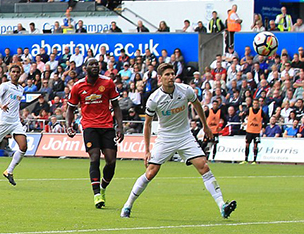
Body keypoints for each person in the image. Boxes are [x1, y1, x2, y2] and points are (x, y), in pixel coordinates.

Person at [120, 63, 237, 219]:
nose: (171, 77)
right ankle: (128, 205)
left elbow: (197, 105)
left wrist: (205, 126)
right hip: (165, 137)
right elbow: (147, 124)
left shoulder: (185, 90)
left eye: (172, 73)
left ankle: (222, 205)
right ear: (160, 78)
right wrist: (147, 150)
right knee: (151, 172)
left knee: (204, 166)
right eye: (167, 74)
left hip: (184, 135)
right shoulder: (154, 99)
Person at [66, 57, 124, 208]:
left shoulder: (108, 83)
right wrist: (69, 125)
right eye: (91, 64)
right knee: (95, 157)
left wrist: (120, 127)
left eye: (96, 64)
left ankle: (103, 188)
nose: (95, 66)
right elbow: (70, 108)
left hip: (107, 126)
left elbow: (116, 106)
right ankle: (97, 194)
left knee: (111, 161)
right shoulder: (78, 86)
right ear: (85, 68)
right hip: (89, 126)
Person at [243, 98, 267, 164]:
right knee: (247, 144)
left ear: (258, 104)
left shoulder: (260, 111)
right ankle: (246, 159)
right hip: (249, 130)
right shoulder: (249, 110)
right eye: (254, 103)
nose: (255, 105)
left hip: (256, 131)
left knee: (255, 145)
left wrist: (264, 126)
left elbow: (266, 119)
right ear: (252, 104)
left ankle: (254, 160)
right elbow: (243, 115)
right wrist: (243, 121)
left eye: (256, 103)